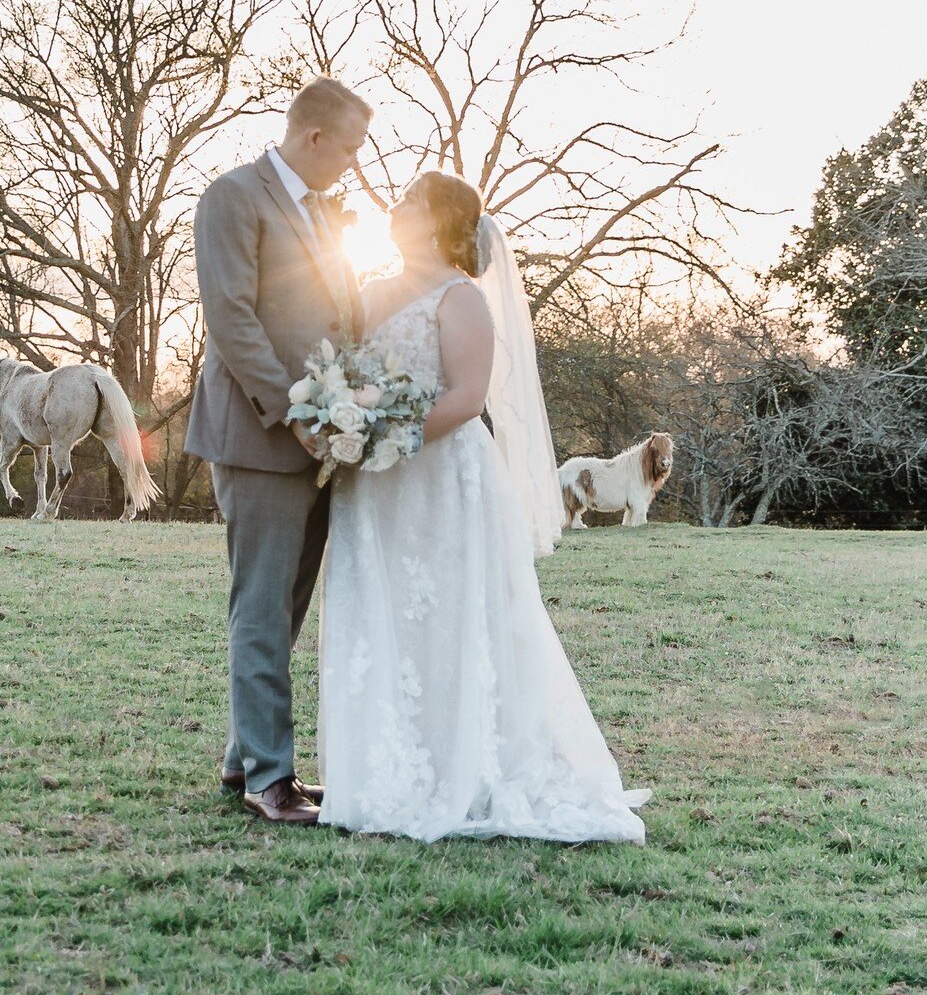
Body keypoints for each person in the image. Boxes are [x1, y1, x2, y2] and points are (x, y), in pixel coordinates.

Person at [316, 171, 650, 842]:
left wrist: (386, 440)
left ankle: (465, 767)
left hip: (441, 478)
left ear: (439, 219)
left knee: (447, 614)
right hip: (374, 485)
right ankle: (386, 770)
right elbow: (355, 373)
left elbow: (467, 396)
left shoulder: (460, 298)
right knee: (384, 613)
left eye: (409, 200)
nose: (395, 206)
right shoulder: (371, 290)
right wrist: (346, 427)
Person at [185, 77, 370, 823]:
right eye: (350, 149)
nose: (354, 164)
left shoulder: (324, 214)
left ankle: (243, 760)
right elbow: (230, 319)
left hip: (320, 437)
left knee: (285, 606)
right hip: (262, 435)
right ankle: (271, 777)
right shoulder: (232, 198)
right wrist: (292, 410)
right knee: (260, 607)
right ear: (314, 138)